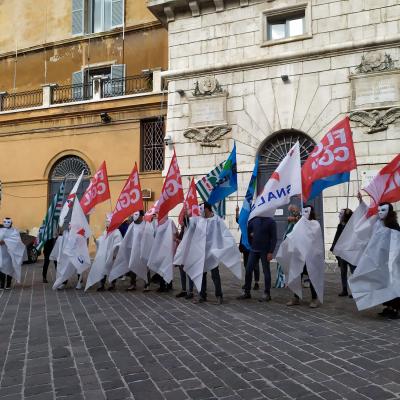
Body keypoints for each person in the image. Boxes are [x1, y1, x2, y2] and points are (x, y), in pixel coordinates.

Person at [174, 202, 242, 305]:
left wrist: (226, 246)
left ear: (206, 209)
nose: (200, 211)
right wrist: (186, 215)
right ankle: (202, 295)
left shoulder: (217, 220)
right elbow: (189, 224)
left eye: (201, 209)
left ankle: (219, 295)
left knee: (215, 275)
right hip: (201, 253)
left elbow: (225, 234)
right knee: (202, 275)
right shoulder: (199, 220)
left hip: (213, 252)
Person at [276, 205, 325, 308]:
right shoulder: (300, 224)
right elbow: (294, 235)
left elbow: (314, 239)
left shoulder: (315, 224)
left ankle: (314, 298)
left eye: (307, 211)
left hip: (311, 256)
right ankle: (296, 297)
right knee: (297, 275)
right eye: (304, 211)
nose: (305, 213)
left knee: (312, 277)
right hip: (299, 255)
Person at [237, 213, 277, 302]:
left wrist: (271, 252)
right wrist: (250, 237)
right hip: (254, 250)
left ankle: (267, 293)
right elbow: (247, 232)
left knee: (266, 271)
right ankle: (247, 292)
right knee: (248, 270)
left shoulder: (271, 221)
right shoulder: (254, 220)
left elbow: (274, 238)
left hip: (265, 251)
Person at [85, 214, 122, 292]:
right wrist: (96, 240)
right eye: (106, 221)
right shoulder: (105, 231)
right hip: (104, 254)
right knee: (102, 268)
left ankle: (112, 284)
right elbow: (102, 240)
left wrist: (115, 254)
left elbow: (118, 244)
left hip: (111, 255)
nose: (106, 223)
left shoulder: (116, 232)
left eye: (108, 221)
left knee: (111, 269)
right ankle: (102, 284)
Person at [330, 208, 355, 297]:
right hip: (342, 252)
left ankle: (355, 291)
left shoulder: (352, 225)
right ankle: (344, 289)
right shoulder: (340, 225)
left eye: (341, 214)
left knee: (353, 271)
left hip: (350, 252)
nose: (339, 215)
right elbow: (336, 237)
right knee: (343, 271)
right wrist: (333, 248)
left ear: (345, 216)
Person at [275, 204, 300, 288]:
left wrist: (296, 215)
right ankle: (285, 280)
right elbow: (290, 219)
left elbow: (297, 218)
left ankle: (291, 280)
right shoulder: (291, 219)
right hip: (287, 242)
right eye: (291, 211)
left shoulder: (299, 219)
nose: (292, 212)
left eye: (293, 210)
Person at [235, 206, 260, 290]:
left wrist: (254, 233)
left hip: (253, 245)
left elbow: (258, 230)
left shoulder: (255, 220)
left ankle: (256, 282)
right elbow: (238, 220)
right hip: (245, 245)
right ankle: (247, 283)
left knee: (255, 265)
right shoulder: (244, 220)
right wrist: (237, 211)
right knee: (246, 265)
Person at [0, 218, 25, 289]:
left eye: (8, 222)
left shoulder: (14, 231)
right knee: (1, 268)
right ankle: (1, 285)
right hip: (1, 252)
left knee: (9, 268)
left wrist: (5, 241)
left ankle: (8, 284)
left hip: (10, 253)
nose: (6, 223)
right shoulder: (0, 230)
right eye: (5, 222)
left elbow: (16, 240)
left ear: (11, 223)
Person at [175, 215, 195, 299]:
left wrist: (179, 240)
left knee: (189, 272)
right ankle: (184, 290)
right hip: (182, 253)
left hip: (189, 253)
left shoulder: (192, 229)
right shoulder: (183, 228)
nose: (184, 222)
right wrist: (176, 239)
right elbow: (180, 238)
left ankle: (191, 291)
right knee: (182, 272)